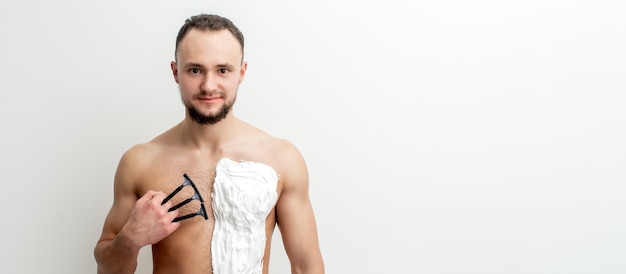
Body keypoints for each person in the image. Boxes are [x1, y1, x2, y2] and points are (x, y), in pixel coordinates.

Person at [93, 14, 325, 274]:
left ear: (242, 72)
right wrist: (130, 239)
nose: (208, 85)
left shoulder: (280, 159)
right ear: (175, 72)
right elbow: (108, 270)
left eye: (222, 70)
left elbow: (306, 267)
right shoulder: (140, 162)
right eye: (195, 70)